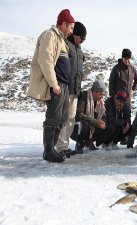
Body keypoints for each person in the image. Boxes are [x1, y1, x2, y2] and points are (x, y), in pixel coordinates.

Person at [26, 9, 75, 163]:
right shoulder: (50, 35)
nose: (72, 31)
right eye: (71, 27)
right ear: (63, 24)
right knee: (53, 117)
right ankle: (48, 151)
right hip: (56, 84)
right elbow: (45, 59)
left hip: (64, 85)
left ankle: (52, 149)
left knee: (63, 118)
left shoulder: (62, 40)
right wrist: (54, 84)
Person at [56, 21, 87, 158]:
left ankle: (65, 146)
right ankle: (60, 147)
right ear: (75, 34)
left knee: (71, 119)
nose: (83, 41)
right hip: (65, 88)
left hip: (75, 90)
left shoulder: (79, 50)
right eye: (82, 38)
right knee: (62, 118)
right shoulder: (65, 45)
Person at [73, 80, 115, 153]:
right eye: (100, 94)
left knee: (111, 127)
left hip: (92, 128)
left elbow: (103, 115)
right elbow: (79, 115)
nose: (102, 97)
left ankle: (90, 141)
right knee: (83, 123)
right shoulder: (84, 96)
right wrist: (95, 122)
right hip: (78, 129)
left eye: (103, 94)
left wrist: (102, 122)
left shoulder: (100, 102)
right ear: (94, 92)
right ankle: (80, 144)